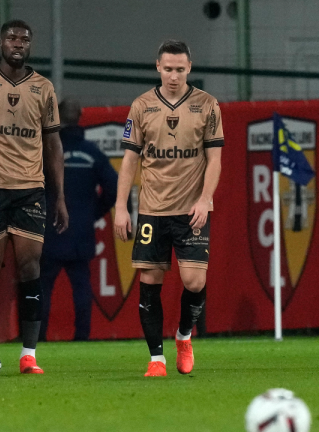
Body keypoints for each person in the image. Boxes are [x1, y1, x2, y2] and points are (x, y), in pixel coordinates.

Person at [0, 20, 68, 374]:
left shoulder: (43, 88)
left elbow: (53, 143)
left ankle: (28, 355)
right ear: (0, 42)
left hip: (29, 190)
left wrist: (60, 196)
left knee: (29, 268)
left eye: (24, 39)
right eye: (11, 38)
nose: (18, 44)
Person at [114, 40, 223, 377]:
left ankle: (184, 336)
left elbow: (214, 159)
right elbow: (129, 161)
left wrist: (205, 199)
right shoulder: (141, 106)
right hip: (152, 209)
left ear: (190, 68)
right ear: (157, 67)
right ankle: (156, 360)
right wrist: (121, 207)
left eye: (180, 69)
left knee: (193, 282)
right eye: (168, 69)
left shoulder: (207, 105)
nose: (174, 75)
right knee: (150, 280)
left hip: (192, 210)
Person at [39, 98, 119, 341]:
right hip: (81, 233)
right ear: (80, 117)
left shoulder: (47, 153)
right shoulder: (92, 154)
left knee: (42, 288)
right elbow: (113, 189)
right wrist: (92, 213)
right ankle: (82, 337)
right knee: (82, 288)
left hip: (50, 231)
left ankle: (36, 339)